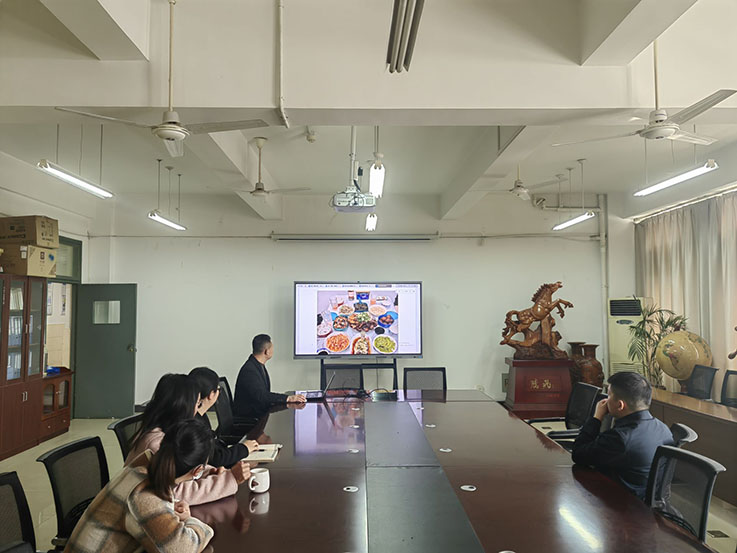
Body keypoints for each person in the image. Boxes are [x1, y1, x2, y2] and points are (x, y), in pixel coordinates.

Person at [64, 419, 214, 553]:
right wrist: (192, 521)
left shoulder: (143, 467)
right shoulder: (144, 494)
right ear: (198, 470)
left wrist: (170, 507)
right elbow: (183, 549)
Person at [126, 373, 252, 505]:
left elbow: (182, 469)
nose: (197, 410)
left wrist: (208, 471)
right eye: (197, 404)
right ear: (183, 408)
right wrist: (230, 479)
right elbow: (174, 493)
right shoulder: (157, 444)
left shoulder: (168, 431)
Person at [571, 371, 674, 499]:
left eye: (609, 395)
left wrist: (596, 418)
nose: (606, 400)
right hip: (645, 499)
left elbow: (578, 454)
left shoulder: (619, 438)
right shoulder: (663, 428)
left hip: (623, 504)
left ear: (620, 405)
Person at [188, 366, 259, 467]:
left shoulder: (199, 417)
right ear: (211, 395)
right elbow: (215, 459)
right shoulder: (195, 424)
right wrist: (244, 448)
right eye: (218, 389)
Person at [234, 334, 306, 419]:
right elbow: (262, 396)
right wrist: (288, 398)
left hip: (259, 414)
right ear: (266, 352)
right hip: (251, 419)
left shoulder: (256, 365)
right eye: (272, 348)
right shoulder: (249, 370)